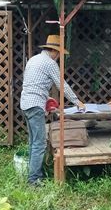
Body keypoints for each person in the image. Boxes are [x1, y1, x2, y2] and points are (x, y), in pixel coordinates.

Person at [20, 34, 85, 186]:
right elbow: (62, 85)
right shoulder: (50, 63)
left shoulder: (33, 59)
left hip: (26, 104)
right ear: (54, 51)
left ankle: (33, 173)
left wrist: (46, 99)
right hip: (35, 105)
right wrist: (77, 102)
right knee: (40, 144)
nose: (59, 57)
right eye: (59, 53)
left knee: (33, 142)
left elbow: (33, 84)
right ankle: (34, 180)